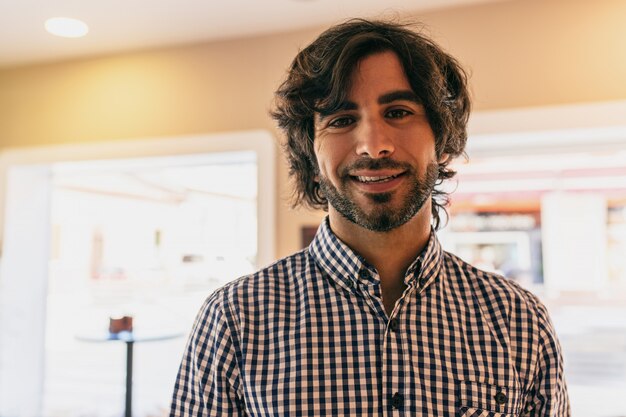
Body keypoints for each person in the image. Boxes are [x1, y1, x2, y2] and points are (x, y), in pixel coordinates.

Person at [170, 19, 570, 416]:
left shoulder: (518, 320)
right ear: (311, 158)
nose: (374, 145)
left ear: (442, 143)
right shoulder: (235, 319)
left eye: (398, 111)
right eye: (342, 120)